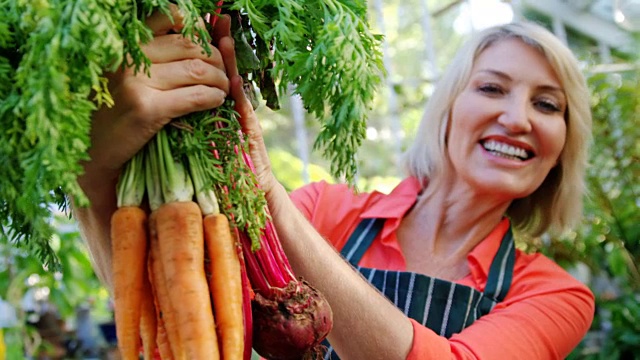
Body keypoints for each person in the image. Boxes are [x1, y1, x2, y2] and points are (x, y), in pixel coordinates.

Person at [74, 5, 595, 359]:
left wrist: (270, 197)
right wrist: (95, 171)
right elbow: (177, 297)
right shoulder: (326, 210)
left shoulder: (555, 294)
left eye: (547, 104)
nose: (518, 118)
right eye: (491, 88)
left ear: (562, 149)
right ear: (448, 111)